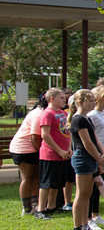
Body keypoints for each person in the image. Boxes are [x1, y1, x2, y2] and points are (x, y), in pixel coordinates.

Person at [68, 89, 104, 230]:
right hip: (83, 158)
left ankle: (85, 224)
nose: (93, 103)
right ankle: (78, 227)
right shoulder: (78, 119)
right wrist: (99, 158)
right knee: (82, 193)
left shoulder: (87, 118)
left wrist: (103, 154)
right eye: (90, 101)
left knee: (87, 193)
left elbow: (95, 139)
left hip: (90, 158)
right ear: (80, 102)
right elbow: (87, 143)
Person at [35, 88, 71, 220]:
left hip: (63, 153)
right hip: (50, 154)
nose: (64, 100)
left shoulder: (62, 113)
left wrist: (68, 148)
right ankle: (41, 209)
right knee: (47, 183)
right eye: (61, 98)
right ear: (52, 98)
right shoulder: (47, 114)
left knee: (57, 182)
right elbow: (45, 134)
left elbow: (68, 131)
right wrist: (59, 150)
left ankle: (52, 206)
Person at [10, 94, 44, 216]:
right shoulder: (38, 114)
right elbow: (35, 135)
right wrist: (40, 151)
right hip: (23, 148)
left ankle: (35, 205)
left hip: (34, 148)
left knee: (36, 176)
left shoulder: (46, 112)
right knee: (27, 177)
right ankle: (26, 207)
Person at [87, 85, 104, 228]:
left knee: (100, 185)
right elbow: (92, 138)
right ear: (97, 97)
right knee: (92, 186)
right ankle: (88, 218)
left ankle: (96, 215)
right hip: (96, 154)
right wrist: (99, 155)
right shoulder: (91, 116)